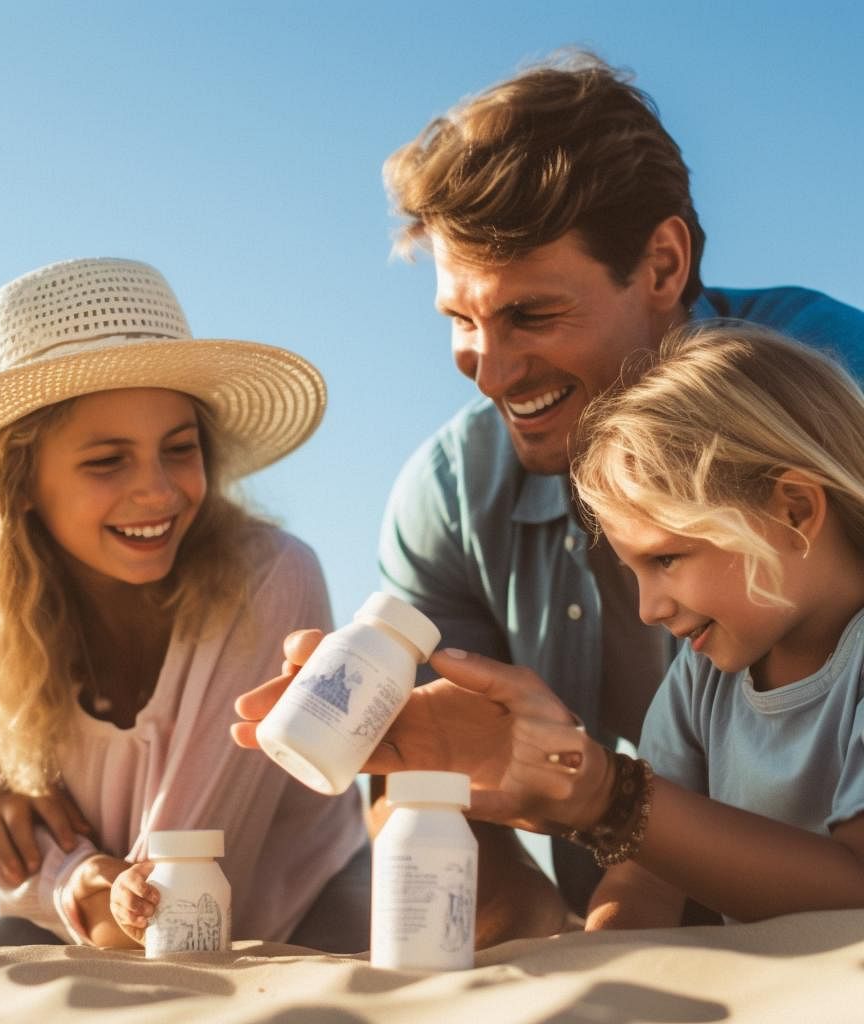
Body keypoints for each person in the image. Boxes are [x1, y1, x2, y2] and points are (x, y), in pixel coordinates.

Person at [235, 49, 864, 939]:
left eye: (531, 314)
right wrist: (554, 949)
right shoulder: (452, 496)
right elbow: (424, 795)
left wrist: (601, 796)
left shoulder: (837, 396)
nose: (487, 372)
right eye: (461, 319)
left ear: (662, 264)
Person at [235, 322, 864, 927]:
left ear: (794, 509)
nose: (650, 609)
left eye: (667, 558)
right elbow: (646, 874)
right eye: (634, 574)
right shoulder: (704, 681)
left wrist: (607, 798)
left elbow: (853, 891)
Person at [0, 257, 368, 950]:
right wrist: (57, 869)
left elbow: (177, 889)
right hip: (85, 918)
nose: (159, 492)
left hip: (295, 912)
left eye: (179, 450)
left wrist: (64, 875)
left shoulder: (270, 580)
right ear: (20, 481)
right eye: (107, 461)